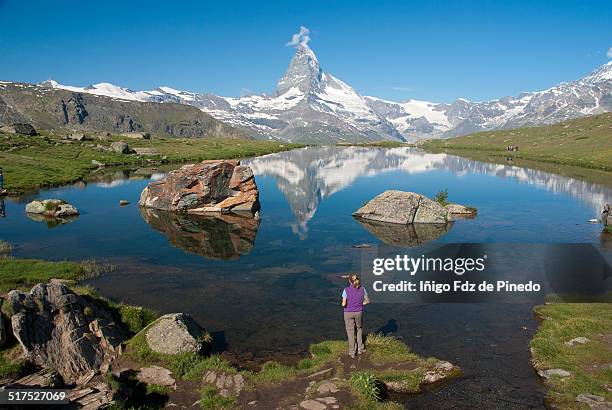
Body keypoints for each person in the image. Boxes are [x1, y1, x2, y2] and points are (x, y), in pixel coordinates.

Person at [341, 273, 369, 358]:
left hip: (348, 313)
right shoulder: (363, 289)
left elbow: (343, 304)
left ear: (349, 281)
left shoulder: (346, 290)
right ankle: (360, 348)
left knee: (350, 332)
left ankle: (352, 352)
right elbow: (367, 301)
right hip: (358, 312)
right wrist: (361, 304)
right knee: (359, 329)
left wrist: (343, 303)